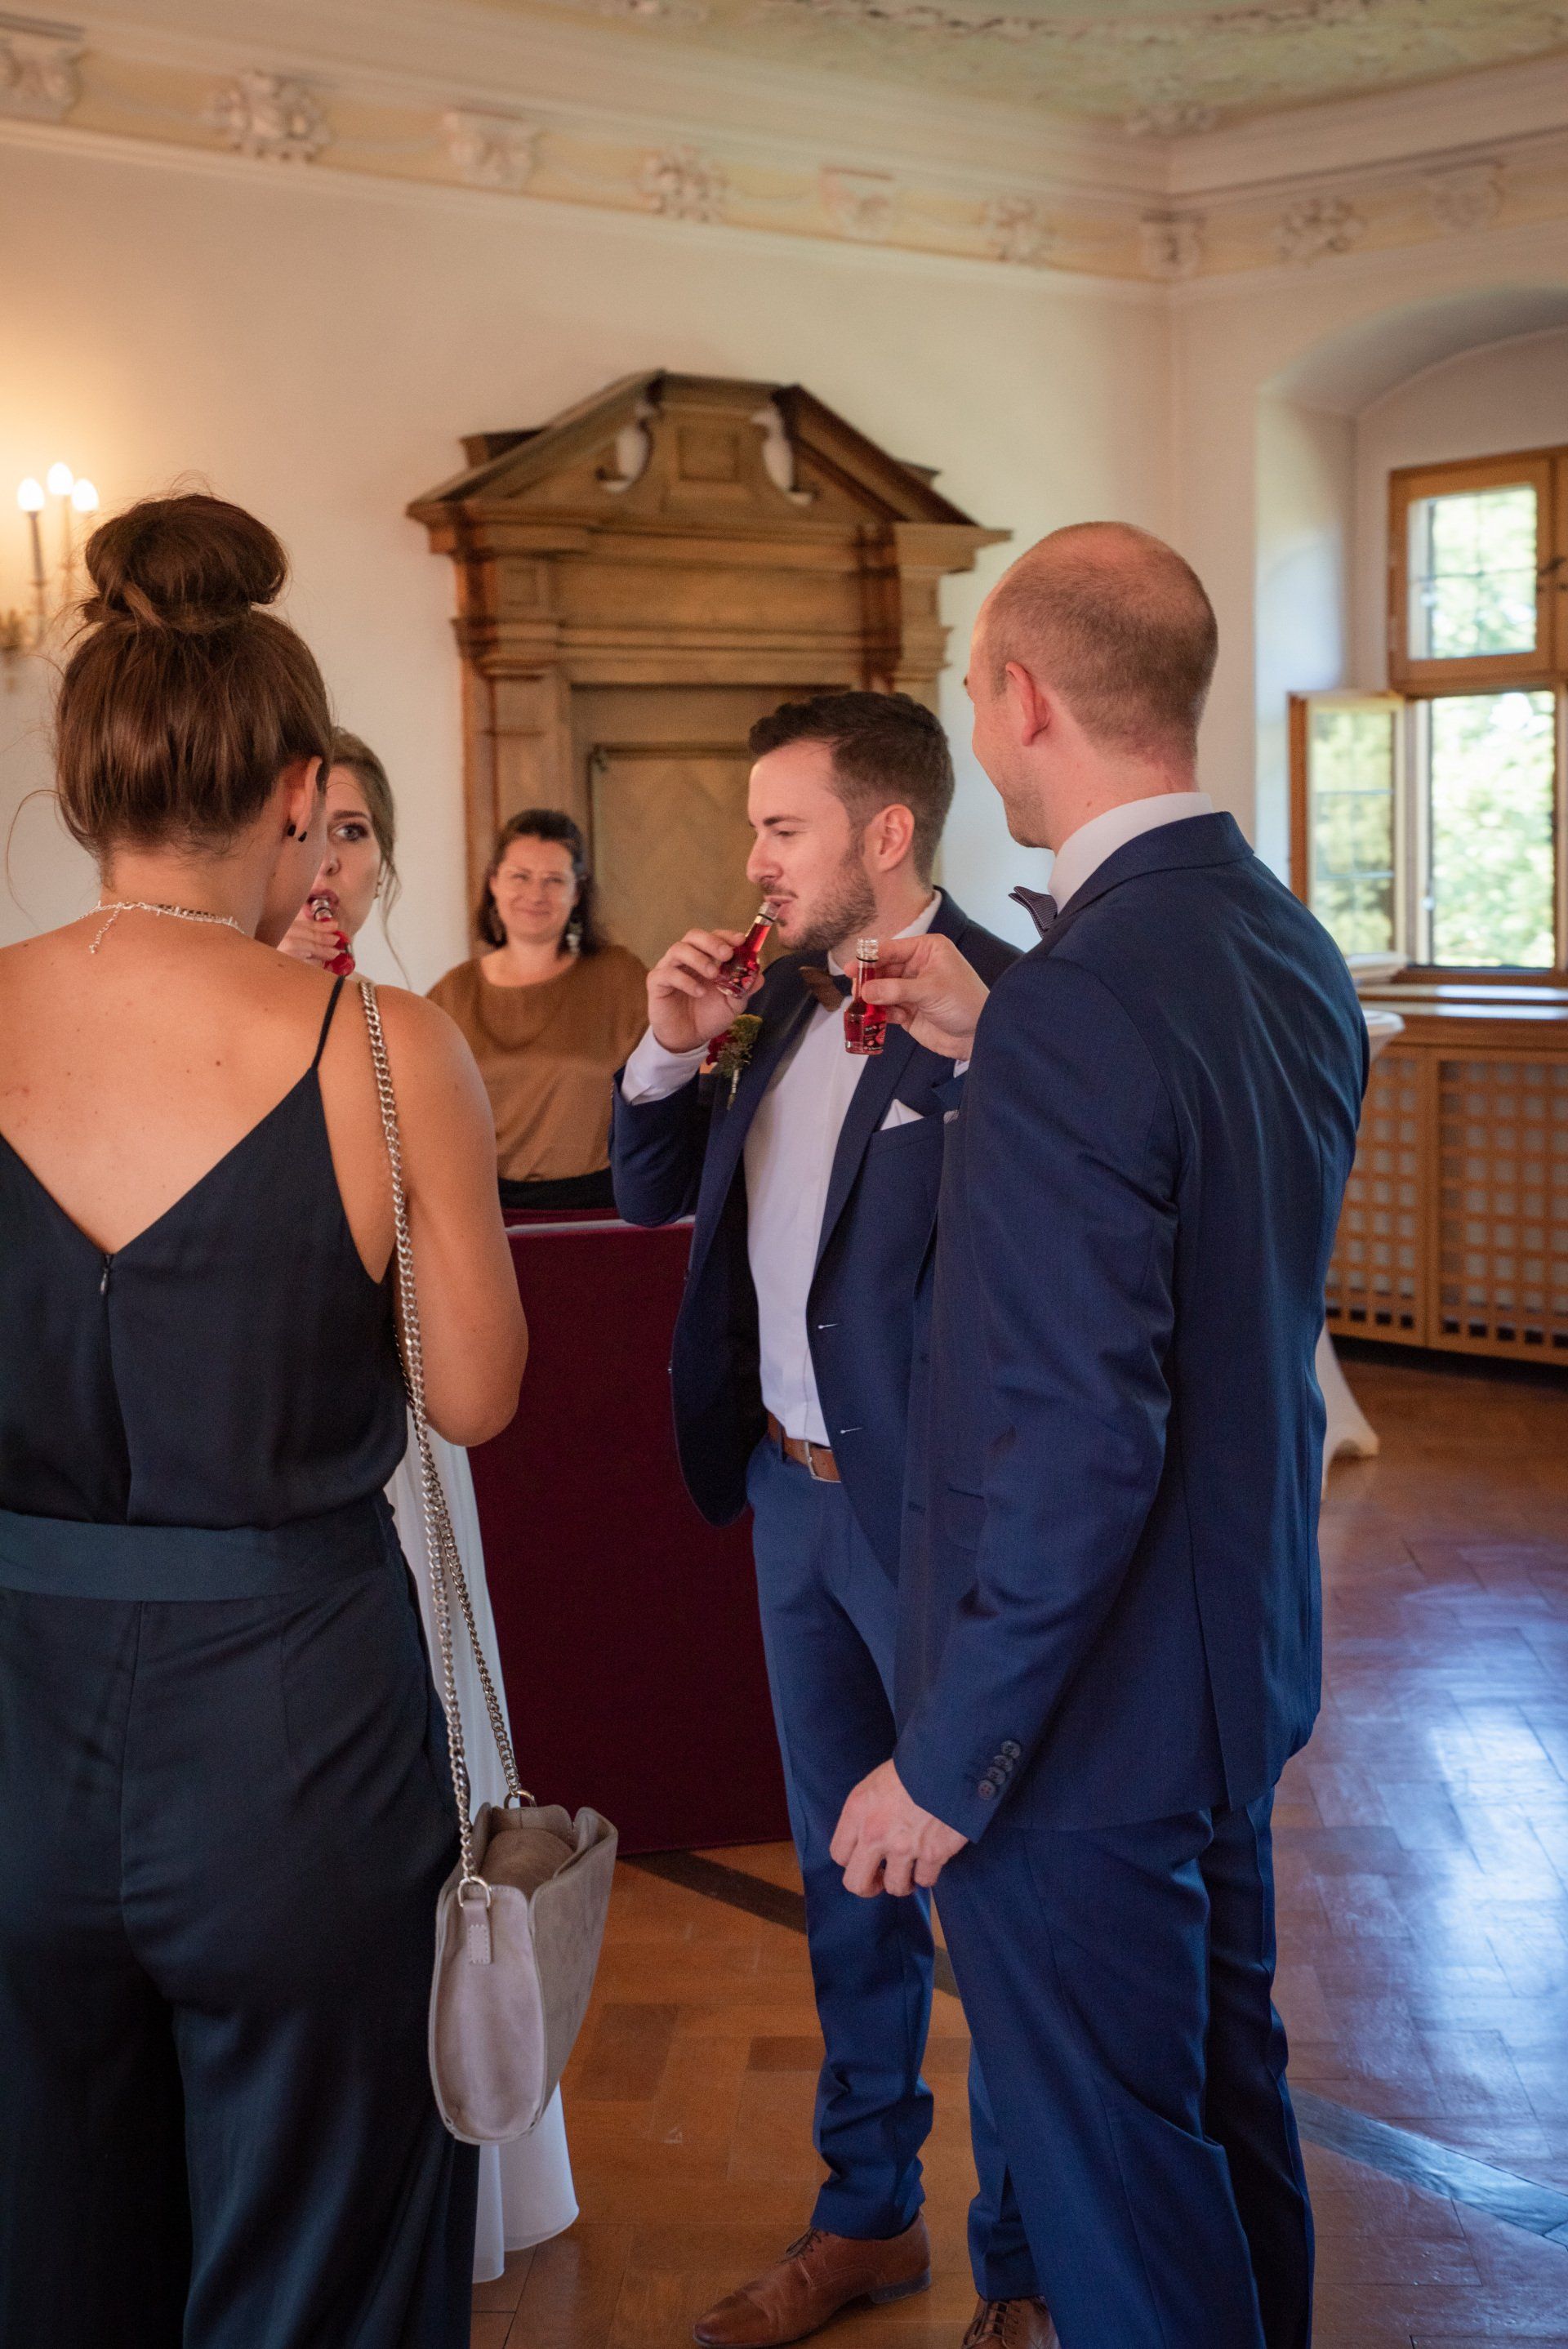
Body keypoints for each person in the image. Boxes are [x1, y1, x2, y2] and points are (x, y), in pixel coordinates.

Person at [830, 525, 1368, 2349]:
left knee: (1121, 2203)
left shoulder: (1084, 996)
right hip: (1229, 1675)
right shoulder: (1279, 941)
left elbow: (1079, 1438)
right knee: (1221, 2121)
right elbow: (1203, 1247)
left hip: (1080, 1726)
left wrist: (947, 1760)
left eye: (977, 687)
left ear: (1024, 699)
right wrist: (1011, 1048)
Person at [0, 493, 528, 2348]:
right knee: (325, 2260)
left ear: (85, 779)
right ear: (302, 790)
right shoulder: (383, 1044)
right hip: (297, 1736)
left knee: (45, 2246)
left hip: (17, 1723)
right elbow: (473, 1393)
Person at [611, 693, 1042, 2349]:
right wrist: (669, 1047)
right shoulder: (772, 1001)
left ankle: (1025, 2260)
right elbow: (649, 1192)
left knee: (990, 1891)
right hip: (788, 1504)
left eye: (781, 827)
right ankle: (867, 2216)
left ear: (886, 832)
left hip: (938, 1525)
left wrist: (989, 1053)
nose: (754, 860)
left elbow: (1079, 1223)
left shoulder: (1018, 997)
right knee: (843, 1885)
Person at [279, 729, 578, 2284]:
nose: (328, 862)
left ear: (386, 856)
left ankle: (473, 2118)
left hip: (404, 1453)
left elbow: (468, 1358)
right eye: (306, 830)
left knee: (445, 1763)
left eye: (355, 831)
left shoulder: (408, 1041)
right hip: (267, 1474)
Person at [429, 810, 647, 1212]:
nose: (536, 894)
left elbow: (665, 1090)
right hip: (481, 1207)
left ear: (577, 893)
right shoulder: (452, 994)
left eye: (554, 880)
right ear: (494, 882)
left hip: (601, 1204)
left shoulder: (622, 978)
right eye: (520, 876)